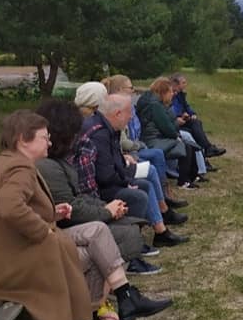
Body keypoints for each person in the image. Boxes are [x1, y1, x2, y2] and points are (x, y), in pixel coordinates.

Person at [0, 110, 127, 320]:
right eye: (43, 137)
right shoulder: (20, 168)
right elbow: (9, 208)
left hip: (9, 254)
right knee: (92, 255)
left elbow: (14, 209)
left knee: (96, 233)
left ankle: (98, 316)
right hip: (15, 262)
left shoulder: (8, 161)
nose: (49, 142)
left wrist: (52, 214)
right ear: (22, 139)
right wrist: (43, 230)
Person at [35, 98, 162, 276]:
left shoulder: (62, 156)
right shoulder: (91, 137)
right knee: (132, 214)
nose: (77, 136)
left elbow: (77, 195)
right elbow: (88, 190)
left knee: (140, 193)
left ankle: (118, 284)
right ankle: (117, 281)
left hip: (80, 206)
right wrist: (107, 210)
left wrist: (106, 205)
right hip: (62, 226)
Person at [74, 93, 190, 247]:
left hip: (104, 183)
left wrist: (126, 180)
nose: (131, 117)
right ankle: (134, 244)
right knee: (139, 194)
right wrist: (126, 182)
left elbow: (115, 163)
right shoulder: (99, 134)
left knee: (145, 185)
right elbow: (104, 176)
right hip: (95, 192)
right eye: (129, 112)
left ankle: (160, 232)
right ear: (117, 113)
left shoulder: (107, 127)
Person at [103, 74, 187, 209]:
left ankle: (165, 195)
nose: (133, 90)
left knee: (164, 150)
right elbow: (123, 142)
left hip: (133, 148)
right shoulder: (117, 110)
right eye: (130, 87)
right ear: (120, 89)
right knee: (156, 159)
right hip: (129, 152)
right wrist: (139, 145)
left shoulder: (128, 106)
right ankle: (164, 200)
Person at [137, 77, 201, 189]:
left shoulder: (152, 101)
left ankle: (191, 177)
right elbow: (166, 127)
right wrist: (176, 136)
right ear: (164, 92)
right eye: (171, 91)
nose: (173, 94)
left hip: (154, 137)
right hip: (153, 140)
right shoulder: (155, 105)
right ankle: (184, 181)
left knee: (189, 146)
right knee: (186, 147)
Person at [169, 73, 226, 160]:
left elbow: (186, 106)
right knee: (194, 129)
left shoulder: (181, 95)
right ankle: (207, 151)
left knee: (196, 124)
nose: (185, 84)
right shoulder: (171, 95)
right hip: (175, 122)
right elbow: (171, 108)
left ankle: (206, 154)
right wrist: (180, 115)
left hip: (182, 119)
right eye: (183, 83)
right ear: (176, 84)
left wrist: (192, 114)